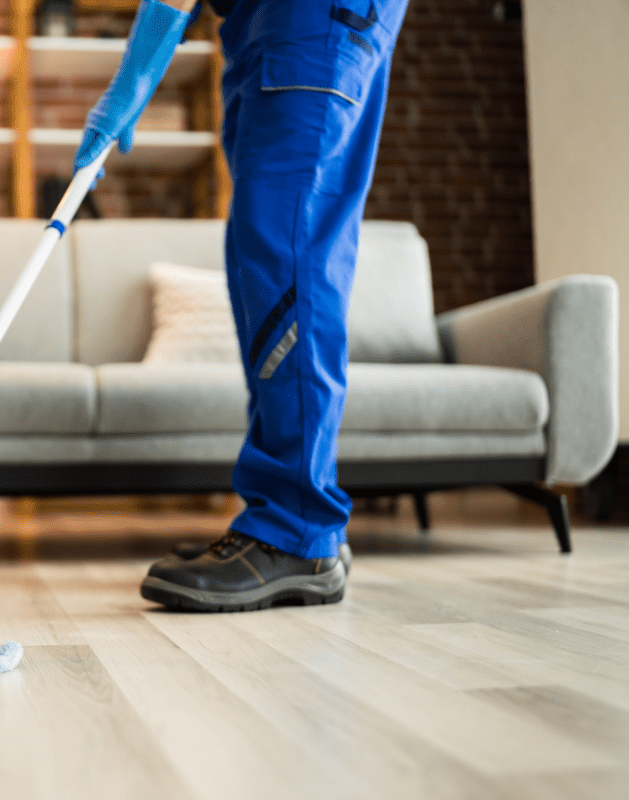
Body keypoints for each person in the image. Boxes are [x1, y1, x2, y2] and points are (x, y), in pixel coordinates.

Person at [73, 0, 408, 611]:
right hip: (269, 23)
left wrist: (135, 76)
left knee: (286, 252)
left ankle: (295, 531)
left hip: (307, 16)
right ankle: (303, 520)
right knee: (268, 255)